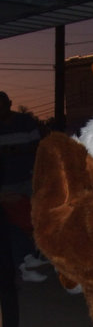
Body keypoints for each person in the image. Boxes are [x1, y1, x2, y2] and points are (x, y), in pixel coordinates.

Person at [0, 92, 48, 282]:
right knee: (12, 221)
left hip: (29, 177)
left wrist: (15, 151)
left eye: (2, 104)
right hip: (6, 182)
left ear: (9, 104)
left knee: (35, 218)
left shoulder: (24, 122)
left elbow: (39, 146)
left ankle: (33, 256)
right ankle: (25, 261)